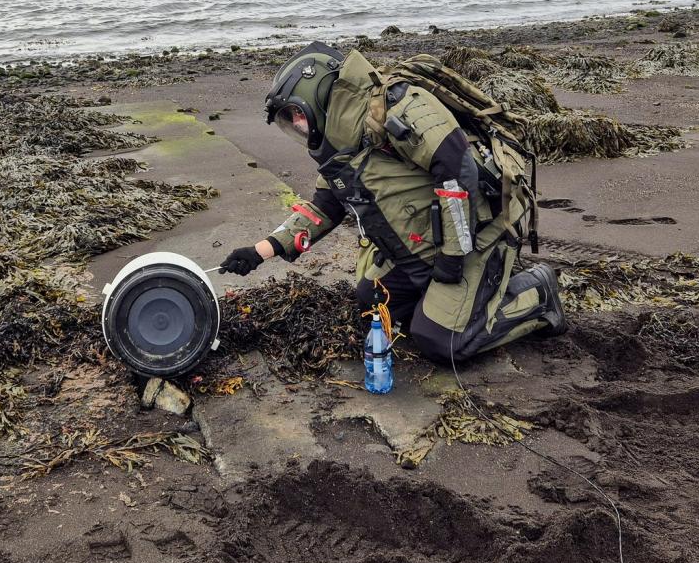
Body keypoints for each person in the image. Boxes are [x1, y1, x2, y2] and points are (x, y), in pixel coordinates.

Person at [219, 42, 567, 364]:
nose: (296, 126)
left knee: (440, 342)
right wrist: (260, 250)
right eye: (288, 122)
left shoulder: (397, 106)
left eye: (296, 115)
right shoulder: (338, 148)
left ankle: (537, 291)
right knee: (372, 304)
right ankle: (450, 299)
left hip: (478, 233)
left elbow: (457, 169)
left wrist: (453, 256)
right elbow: (324, 208)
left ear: (319, 94)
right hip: (419, 249)